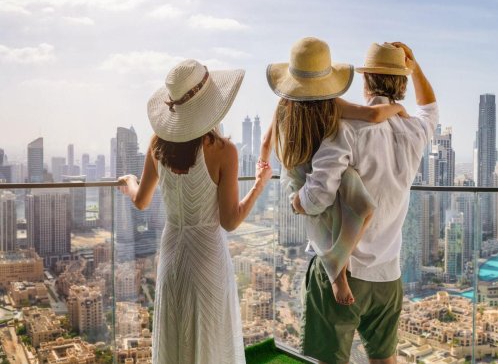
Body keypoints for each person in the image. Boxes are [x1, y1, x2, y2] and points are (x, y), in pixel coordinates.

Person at [293, 42, 437, 364]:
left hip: (344, 270)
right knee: (385, 360)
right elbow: (429, 108)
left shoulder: (347, 129)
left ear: (365, 81)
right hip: (388, 274)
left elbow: (317, 197)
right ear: (402, 83)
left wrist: (296, 201)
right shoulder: (415, 130)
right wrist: (416, 68)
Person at [118, 59, 270, 364]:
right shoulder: (223, 151)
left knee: (175, 334)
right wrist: (259, 185)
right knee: (211, 338)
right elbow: (229, 221)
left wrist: (130, 182)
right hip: (207, 256)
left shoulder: (157, 144)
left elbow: (141, 201)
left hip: (172, 252)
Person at [261, 37, 407, 305]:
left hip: (301, 174)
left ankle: (336, 268)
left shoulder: (284, 103)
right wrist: (397, 107)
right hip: (306, 174)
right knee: (350, 209)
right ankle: (337, 275)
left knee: (346, 209)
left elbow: (266, 140)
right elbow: (373, 115)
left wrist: (263, 164)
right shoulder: (333, 104)